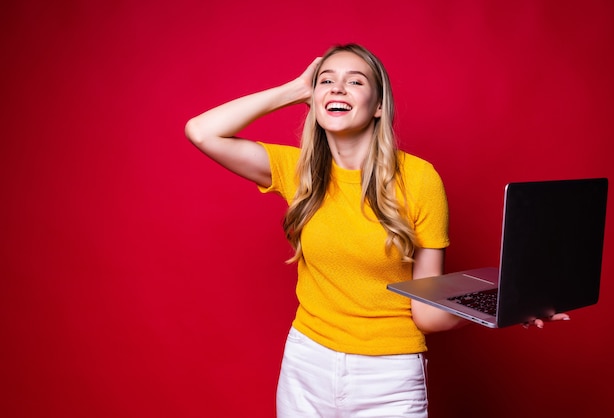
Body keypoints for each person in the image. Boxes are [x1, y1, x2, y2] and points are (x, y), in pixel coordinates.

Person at [185, 43, 568, 417]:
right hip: (306, 364)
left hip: (389, 376)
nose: (337, 87)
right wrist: (296, 90)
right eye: (326, 81)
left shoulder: (419, 180)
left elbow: (427, 315)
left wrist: (507, 302)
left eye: (355, 82)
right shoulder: (299, 170)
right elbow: (202, 131)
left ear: (379, 106)